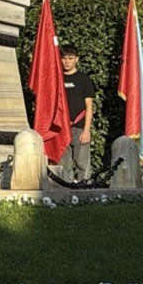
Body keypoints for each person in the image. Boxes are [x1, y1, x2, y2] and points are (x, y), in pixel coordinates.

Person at [58, 44, 96, 182]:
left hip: (79, 127)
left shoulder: (84, 79)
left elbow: (89, 105)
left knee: (83, 164)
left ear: (76, 59)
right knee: (63, 164)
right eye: (64, 58)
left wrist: (86, 130)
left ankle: (85, 191)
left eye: (70, 58)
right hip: (61, 128)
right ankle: (65, 190)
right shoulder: (56, 79)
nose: (67, 61)